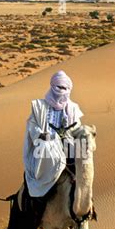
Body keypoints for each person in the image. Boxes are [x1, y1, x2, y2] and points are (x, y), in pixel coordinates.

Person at [23, 70, 83, 198]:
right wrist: (40, 135)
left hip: (67, 142)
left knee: (82, 155)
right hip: (46, 141)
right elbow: (32, 126)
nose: (61, 90)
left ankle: (84, 199)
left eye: (64, 88)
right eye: (58, 87)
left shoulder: (73, 108)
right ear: (52, 86)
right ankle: (41, 192)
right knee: (45, 149)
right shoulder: (40, 106)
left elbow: (77, 127)